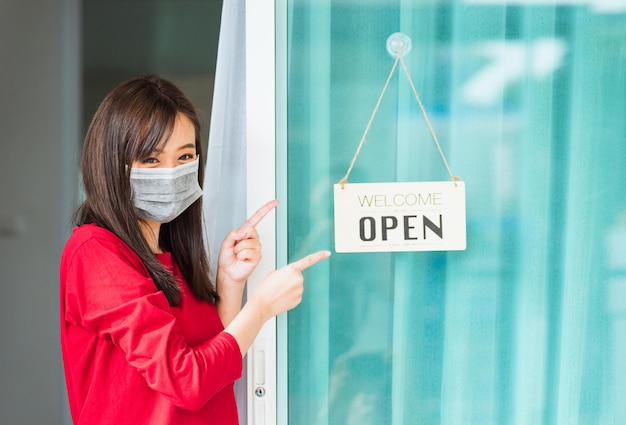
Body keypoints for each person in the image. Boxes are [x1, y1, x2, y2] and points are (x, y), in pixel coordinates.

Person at [59, 74, 330, 425]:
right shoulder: (95, 251)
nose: (171, 173)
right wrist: (261, 306)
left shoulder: (170, 254)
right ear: (111, 161)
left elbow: (216, 363)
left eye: (184, 156)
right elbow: (186, 380)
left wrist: (229, 283)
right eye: (151, 160)